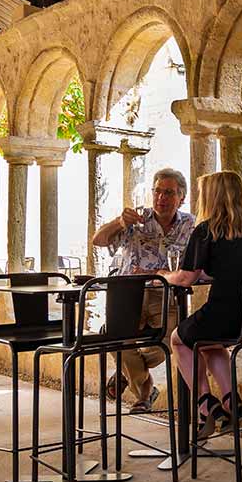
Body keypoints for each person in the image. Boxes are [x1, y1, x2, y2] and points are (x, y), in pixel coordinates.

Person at [162, 171, 242, 439]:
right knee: (210, 344)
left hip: (226, 315)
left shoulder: (207, 231)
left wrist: (163, 275)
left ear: (212, 197)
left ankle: (206, 405)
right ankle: (232, 402)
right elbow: (238, 268)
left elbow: (186, 278)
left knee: (179, 340)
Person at [91, 168, 195, 411]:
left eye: (168, 192)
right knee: (113, 334)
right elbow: (98, 240)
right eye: (157, 191)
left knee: (175, 336)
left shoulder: (189, 224)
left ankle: (128, 373)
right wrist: (119, 222)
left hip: (165, 294)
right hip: (130, 294)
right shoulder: (136, 219)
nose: (161, 197)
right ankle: (145, 389)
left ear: (181, 197)